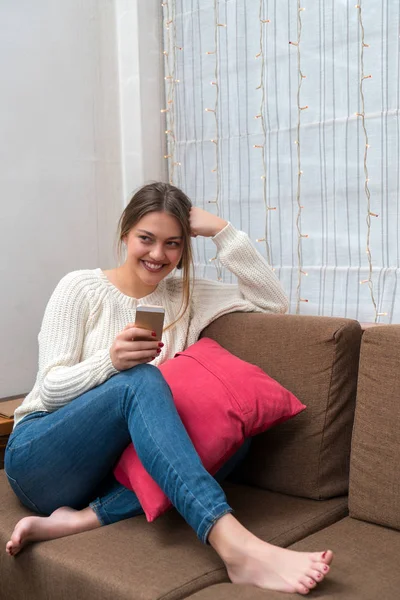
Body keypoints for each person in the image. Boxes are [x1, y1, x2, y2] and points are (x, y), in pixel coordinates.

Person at [5, 182, 333, 595]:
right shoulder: (81, 288)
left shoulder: (184, 296)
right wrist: (111, 362)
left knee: (230, 434)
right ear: (125, 233)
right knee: (140, 379)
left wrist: (222, 232)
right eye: (146, 238)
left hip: (106, 476)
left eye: (173, 243)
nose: (158, 255)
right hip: (39, 455)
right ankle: (233, 543)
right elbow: (49, 390)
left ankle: (84, 518)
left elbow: (272, 302)